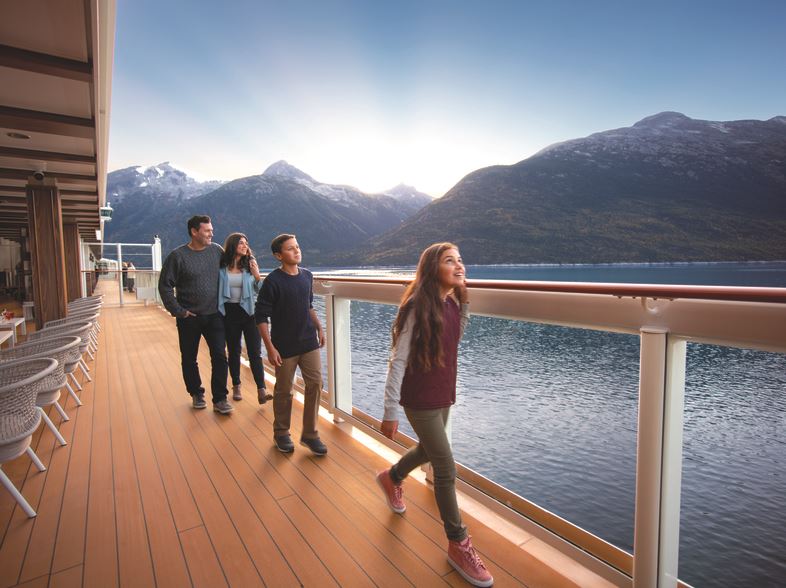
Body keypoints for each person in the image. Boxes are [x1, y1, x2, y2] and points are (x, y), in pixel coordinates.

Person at [376, 242, 493, 588]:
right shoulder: (417, 306)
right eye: (449, 261)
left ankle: (392, 477)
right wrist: (390, 411)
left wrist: (465, 300)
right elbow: (398, 359)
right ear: (432, 269)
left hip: (443, 393)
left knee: (429, 450)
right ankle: (459, 543)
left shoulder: (451, 303)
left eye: (460, 260)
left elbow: (456, 335)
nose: (459, 265)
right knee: (445, 467)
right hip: (419, 398)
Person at [255, 234, 327, 455]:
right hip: (284, 345)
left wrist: (319, 326)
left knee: (315, 384)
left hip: (308, 341)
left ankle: (310, 434)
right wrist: (270, 347)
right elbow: (261, 316)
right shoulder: (273, 281)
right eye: (290, 248)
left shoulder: (307, 276)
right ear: (279, 255)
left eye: (297, 246)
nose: (297, 251)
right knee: (284, 390)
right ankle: (281, 432)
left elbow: (308, 305)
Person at [158, 215, 233, 414]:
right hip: (189, 317)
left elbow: (234, 266)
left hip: (215, 315)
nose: (211, 234)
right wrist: (179, 311)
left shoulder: (217, 251)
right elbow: (165, 286)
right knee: (189, 358)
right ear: (194, 232)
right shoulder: (178, 256)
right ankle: (196, 393)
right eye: (207, 230)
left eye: (211, 230)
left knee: (220, 356)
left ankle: (220, 399)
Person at [218, 233, 272, 404]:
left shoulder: (250, 265)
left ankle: (261, 390)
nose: (245, 246)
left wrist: (257, 276)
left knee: (255, 353)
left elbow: (261, 291)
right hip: (229, 313)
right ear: (233, 245)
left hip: (249, 313)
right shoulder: (221, 266)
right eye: (241, 243)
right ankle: (236, 386)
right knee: (234, 351)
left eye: (246, 243)